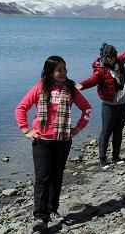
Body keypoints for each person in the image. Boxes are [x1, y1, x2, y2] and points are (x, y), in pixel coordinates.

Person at [15, 56, 92, 233]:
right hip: (41, 141)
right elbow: (21, 109)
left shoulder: (70, 89)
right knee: (42, 178)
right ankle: (40, 217)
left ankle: (52, 210)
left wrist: (78, 128)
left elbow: (87, 109)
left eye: (65, 69)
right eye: (59, 70)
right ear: (50, 71)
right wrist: (26, 130)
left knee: (56, 177)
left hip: (63, 141)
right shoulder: (39, 88)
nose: (63, 72)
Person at [77, 38, 125, 169]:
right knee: (106, 132)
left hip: (123, 103)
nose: (113, 59)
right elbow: (93, 80)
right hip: (109, 105)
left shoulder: (119, 61)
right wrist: (82, 85)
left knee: (119, 131)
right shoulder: (100, 69)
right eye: (110, 57)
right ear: (104, 57)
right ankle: (102, 160)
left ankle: (116, 156)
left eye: (114, 56)